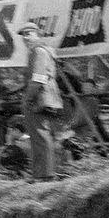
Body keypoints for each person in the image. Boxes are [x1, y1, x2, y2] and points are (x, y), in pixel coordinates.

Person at [18, 22, 64, 182]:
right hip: (44, 96)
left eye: (28, 34)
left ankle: (45, 175)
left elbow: (38, 78)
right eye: (23, 35)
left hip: (39, 98)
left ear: (37, 34)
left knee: (40, 136)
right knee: (40, 136)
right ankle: (42, 174)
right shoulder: (41, 50)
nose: (25, 38)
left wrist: (27, 99)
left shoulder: (38, 51)